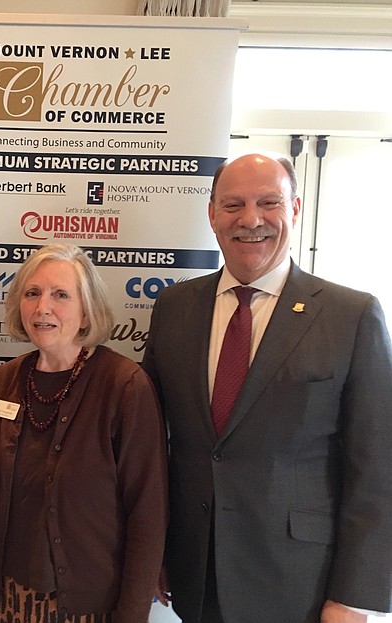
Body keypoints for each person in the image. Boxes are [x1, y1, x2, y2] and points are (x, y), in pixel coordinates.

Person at [143, 153, 392, 623]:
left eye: (269, 202)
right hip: (196, 572)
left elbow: (378, 468)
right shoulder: (174, 308)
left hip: (303, 583)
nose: (251, 220)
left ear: (295, 210)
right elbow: (154, 446)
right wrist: (154, 550)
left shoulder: (350, 315)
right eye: (233, 204)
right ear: (212, 214)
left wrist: (355, 596)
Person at [0, 243, 168, 623]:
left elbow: (147, 514)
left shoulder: (124, 386)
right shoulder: (3, 382)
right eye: (32, 294)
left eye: (61, 295)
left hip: (90, 608)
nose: (42, 308)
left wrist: (133, 615)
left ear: (87, 311)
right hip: (4, 600)